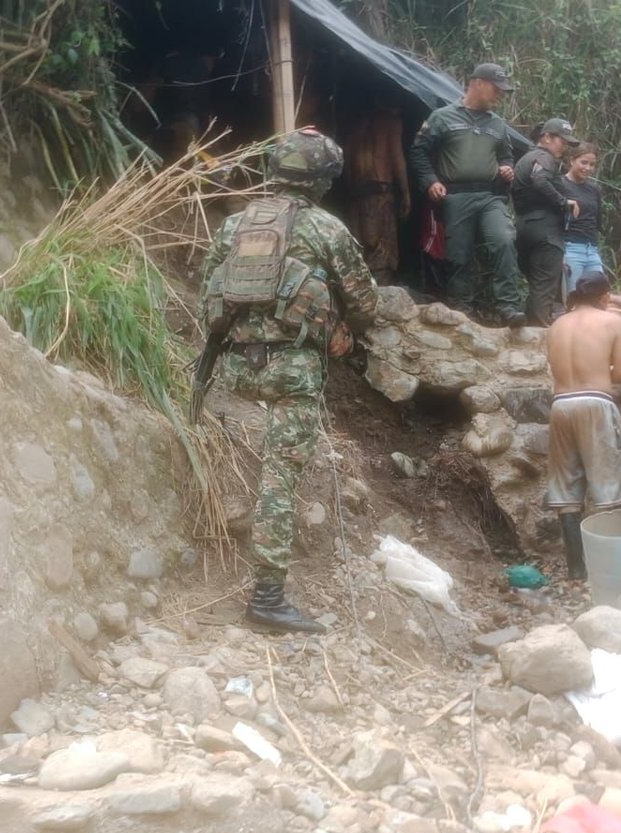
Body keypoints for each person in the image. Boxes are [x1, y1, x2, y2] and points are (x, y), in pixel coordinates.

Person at [196, 128, 378, 633]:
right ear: (321, 181)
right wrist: (340, 324)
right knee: (279, 477)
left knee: (267, 469)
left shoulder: (235, 225)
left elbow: (206, 291)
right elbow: (366, 303)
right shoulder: (326, 229)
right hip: (292, 371)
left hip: (234, 367)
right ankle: (267, 598)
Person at [408, 63, 524, 325]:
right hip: (455, 196)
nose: (500, 96)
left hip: (490, 196)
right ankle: (463, 308)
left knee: (504, 239)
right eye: (497, 89)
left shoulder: (498, 124)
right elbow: (419, 152)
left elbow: (506, 156)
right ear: (478, 83)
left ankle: (508, 306)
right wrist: (430, 181)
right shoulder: (442, 117)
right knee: (459, 253)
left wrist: (507, 167)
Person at [546, 271, 621, 578]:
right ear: (605, 297)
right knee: (608, 484)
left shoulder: (557, 325)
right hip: (596, 402)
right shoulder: (612, 322)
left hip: (561, 405)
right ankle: (611, 567)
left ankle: (576, 570)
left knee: (566, 487)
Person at [513, 117, 581, 325]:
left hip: (524, 226)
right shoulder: (544, 157)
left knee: (537, 285)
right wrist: (564, 202)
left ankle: (529, 331)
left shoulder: (527, 157)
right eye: (563, 141)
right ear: (547, 137)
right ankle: (539, 333)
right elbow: (540, 180)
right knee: (545, 286)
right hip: (545, 231)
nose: (565, 147)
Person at [344, 103, 411, 283]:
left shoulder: (354, 122)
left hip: (355, 194)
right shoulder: (390, 122)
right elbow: (397, 158)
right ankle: (380, 294)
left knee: (359, 246)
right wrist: (406, 192)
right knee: (382, 251)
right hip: (380, 193)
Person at [560, 142, 604, 292]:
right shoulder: (560, 184)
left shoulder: (594, 189)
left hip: (591, 249)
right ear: (572, 160)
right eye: (583, 162)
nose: (588, 168)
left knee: (599, 294)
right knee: (574, 297)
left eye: (592, 164)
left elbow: (597, 221)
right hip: (570, 248)